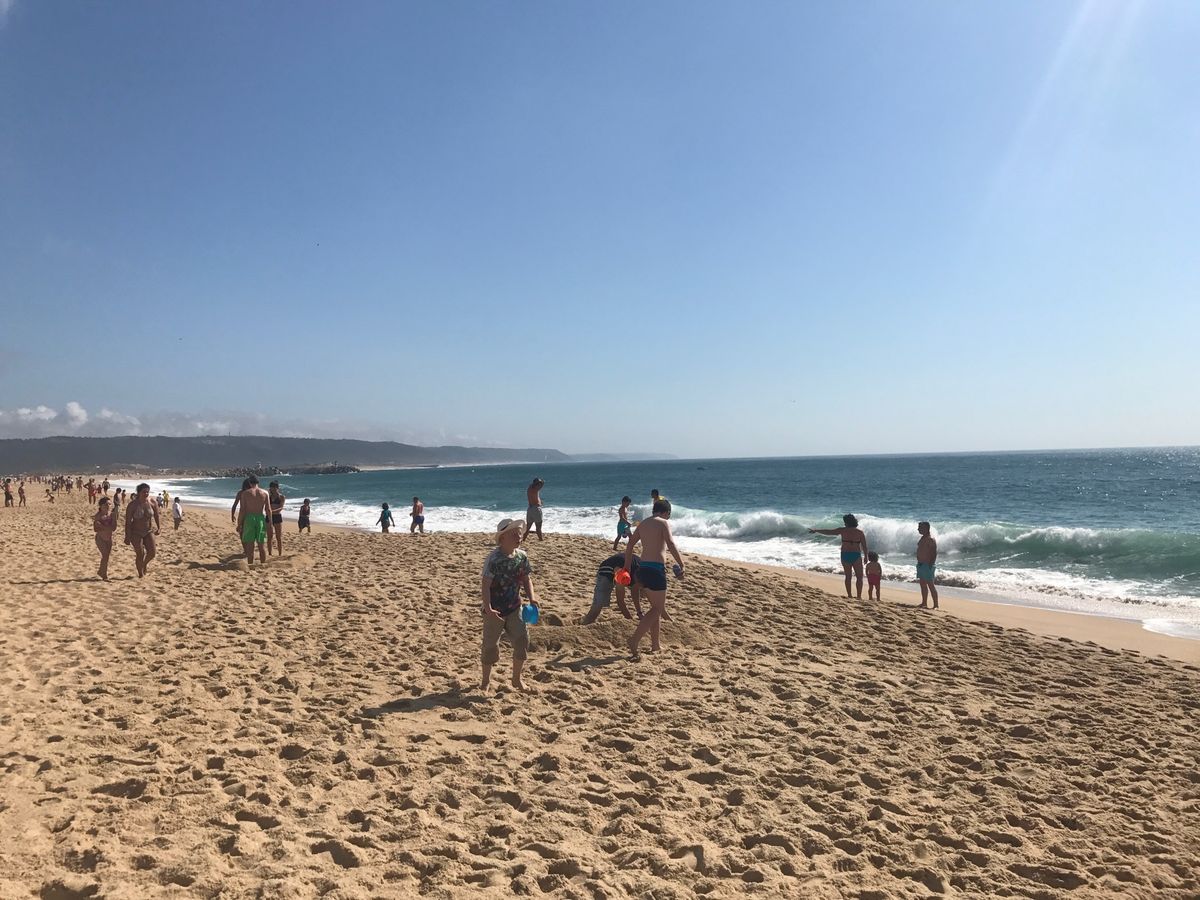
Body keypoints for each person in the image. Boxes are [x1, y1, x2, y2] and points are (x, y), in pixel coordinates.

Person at [480, 518, 537, 691]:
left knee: (522, 641)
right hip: (494, 610)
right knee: (490, 646)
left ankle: (516, 679)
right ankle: (485, 681)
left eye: (519, 533)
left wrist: (532, 598)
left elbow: (526, 579)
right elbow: (485, 584)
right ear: (502, 538)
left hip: (514, 607)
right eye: (514, 534)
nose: (519, 536)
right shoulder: (494, 559)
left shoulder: (522, 556)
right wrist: (488, 608)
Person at [625, 497, 685, 658]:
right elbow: (670, 544)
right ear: (666, 512)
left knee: (654, 608)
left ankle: (655, 645)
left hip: (642, 568)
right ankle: (634, 639)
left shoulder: (643, 523)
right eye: (669, 515)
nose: (668, 517)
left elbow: (630, 545)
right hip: (656, 569)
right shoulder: (663, 523)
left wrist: (626, 567)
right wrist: (681, 563)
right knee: (658, 608)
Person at [808, 514, 870, 600]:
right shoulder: (860, 532)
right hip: (856, 555)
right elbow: (864, 546)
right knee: (859, 577)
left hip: (845, 555)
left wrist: (816, 530)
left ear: (847, 522)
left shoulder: (842, 530)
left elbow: (829, 532)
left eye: (845, 522)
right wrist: (866, 556)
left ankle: (849, 595)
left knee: (848, 577)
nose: (844, 523)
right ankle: (859, 596)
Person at [582, 551, 642, 625]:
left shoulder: (642, 572)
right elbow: (620, 601)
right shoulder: (623, 576)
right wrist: (630, 620)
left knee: (637, 588)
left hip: (624, 565)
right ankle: (586, 623)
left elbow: (635, 592)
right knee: (599, 603)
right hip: (607, 570)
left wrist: (639, 613)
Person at [124, 483, 160, 578]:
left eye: (147, 492)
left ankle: (144, 564)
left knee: (152, 553)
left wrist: (159, 527)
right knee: (140, 554)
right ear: (139, 492)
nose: (146, 494)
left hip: (148, 531)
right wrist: (127, 536)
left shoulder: (152, 502)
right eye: (144, 492)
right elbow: (128, 522)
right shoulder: (133, 505)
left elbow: (156, 515)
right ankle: (140, 574)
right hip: (135, 532)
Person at [236, 476, 270, 566]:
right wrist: (270, 522)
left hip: (249, 518)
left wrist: (239, 523)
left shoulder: (245, 493)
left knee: (250, 545)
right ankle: (263, 564)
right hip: (260, 518)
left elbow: (242, 510)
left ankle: (250, 564)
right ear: (258, 482)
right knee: (261, 545)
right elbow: (268, 509)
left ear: (250, 483)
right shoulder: (265, 493)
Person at [93, 496, 119, 580]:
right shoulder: (98, 515)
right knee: (105, 555)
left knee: (107, 557)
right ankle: (104, 575)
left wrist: (102, 526)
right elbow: (95, 529)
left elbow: (114, 528)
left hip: (109, 538)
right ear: (101, 506)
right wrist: (106, 527)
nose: (108, 506)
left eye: (109, 504)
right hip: (100, 538)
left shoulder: (112, 515)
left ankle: (101, 571)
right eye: (105, 504)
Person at [916, 521, 939, 609]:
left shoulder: (930, 539)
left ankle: (936, 605)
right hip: (921, 564)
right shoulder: (922, 538)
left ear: (926, 528)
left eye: (920, 528)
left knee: (930, 585)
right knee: (922, 584)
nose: (918, 529)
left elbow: (934, 553)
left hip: (927, 565)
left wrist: (931, 564)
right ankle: (924, 603)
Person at [522, 478, 545, 543]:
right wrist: (542, 481)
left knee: (528, 527)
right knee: (538, 526)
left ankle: (523, 539)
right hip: (536, 509)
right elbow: (542, 484)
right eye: (539, 484)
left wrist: (540, 501)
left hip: (530, 509)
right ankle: (541, 540)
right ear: (536, 484)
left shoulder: (530, 488)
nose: (540, 485)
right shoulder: (535, 489)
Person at [267, 480, 285, 556]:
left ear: (278, 488)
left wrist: (272, 511)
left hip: (277, 517)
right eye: (272, 487)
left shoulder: (281, 497)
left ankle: (280, 554)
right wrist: (269, 512)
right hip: (269, 517)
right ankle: (270, 553)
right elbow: (265, 507)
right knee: (269, 536)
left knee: (278, 537)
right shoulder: (268, 497)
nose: (274, 489)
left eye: (275, 487)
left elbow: (281, 508)